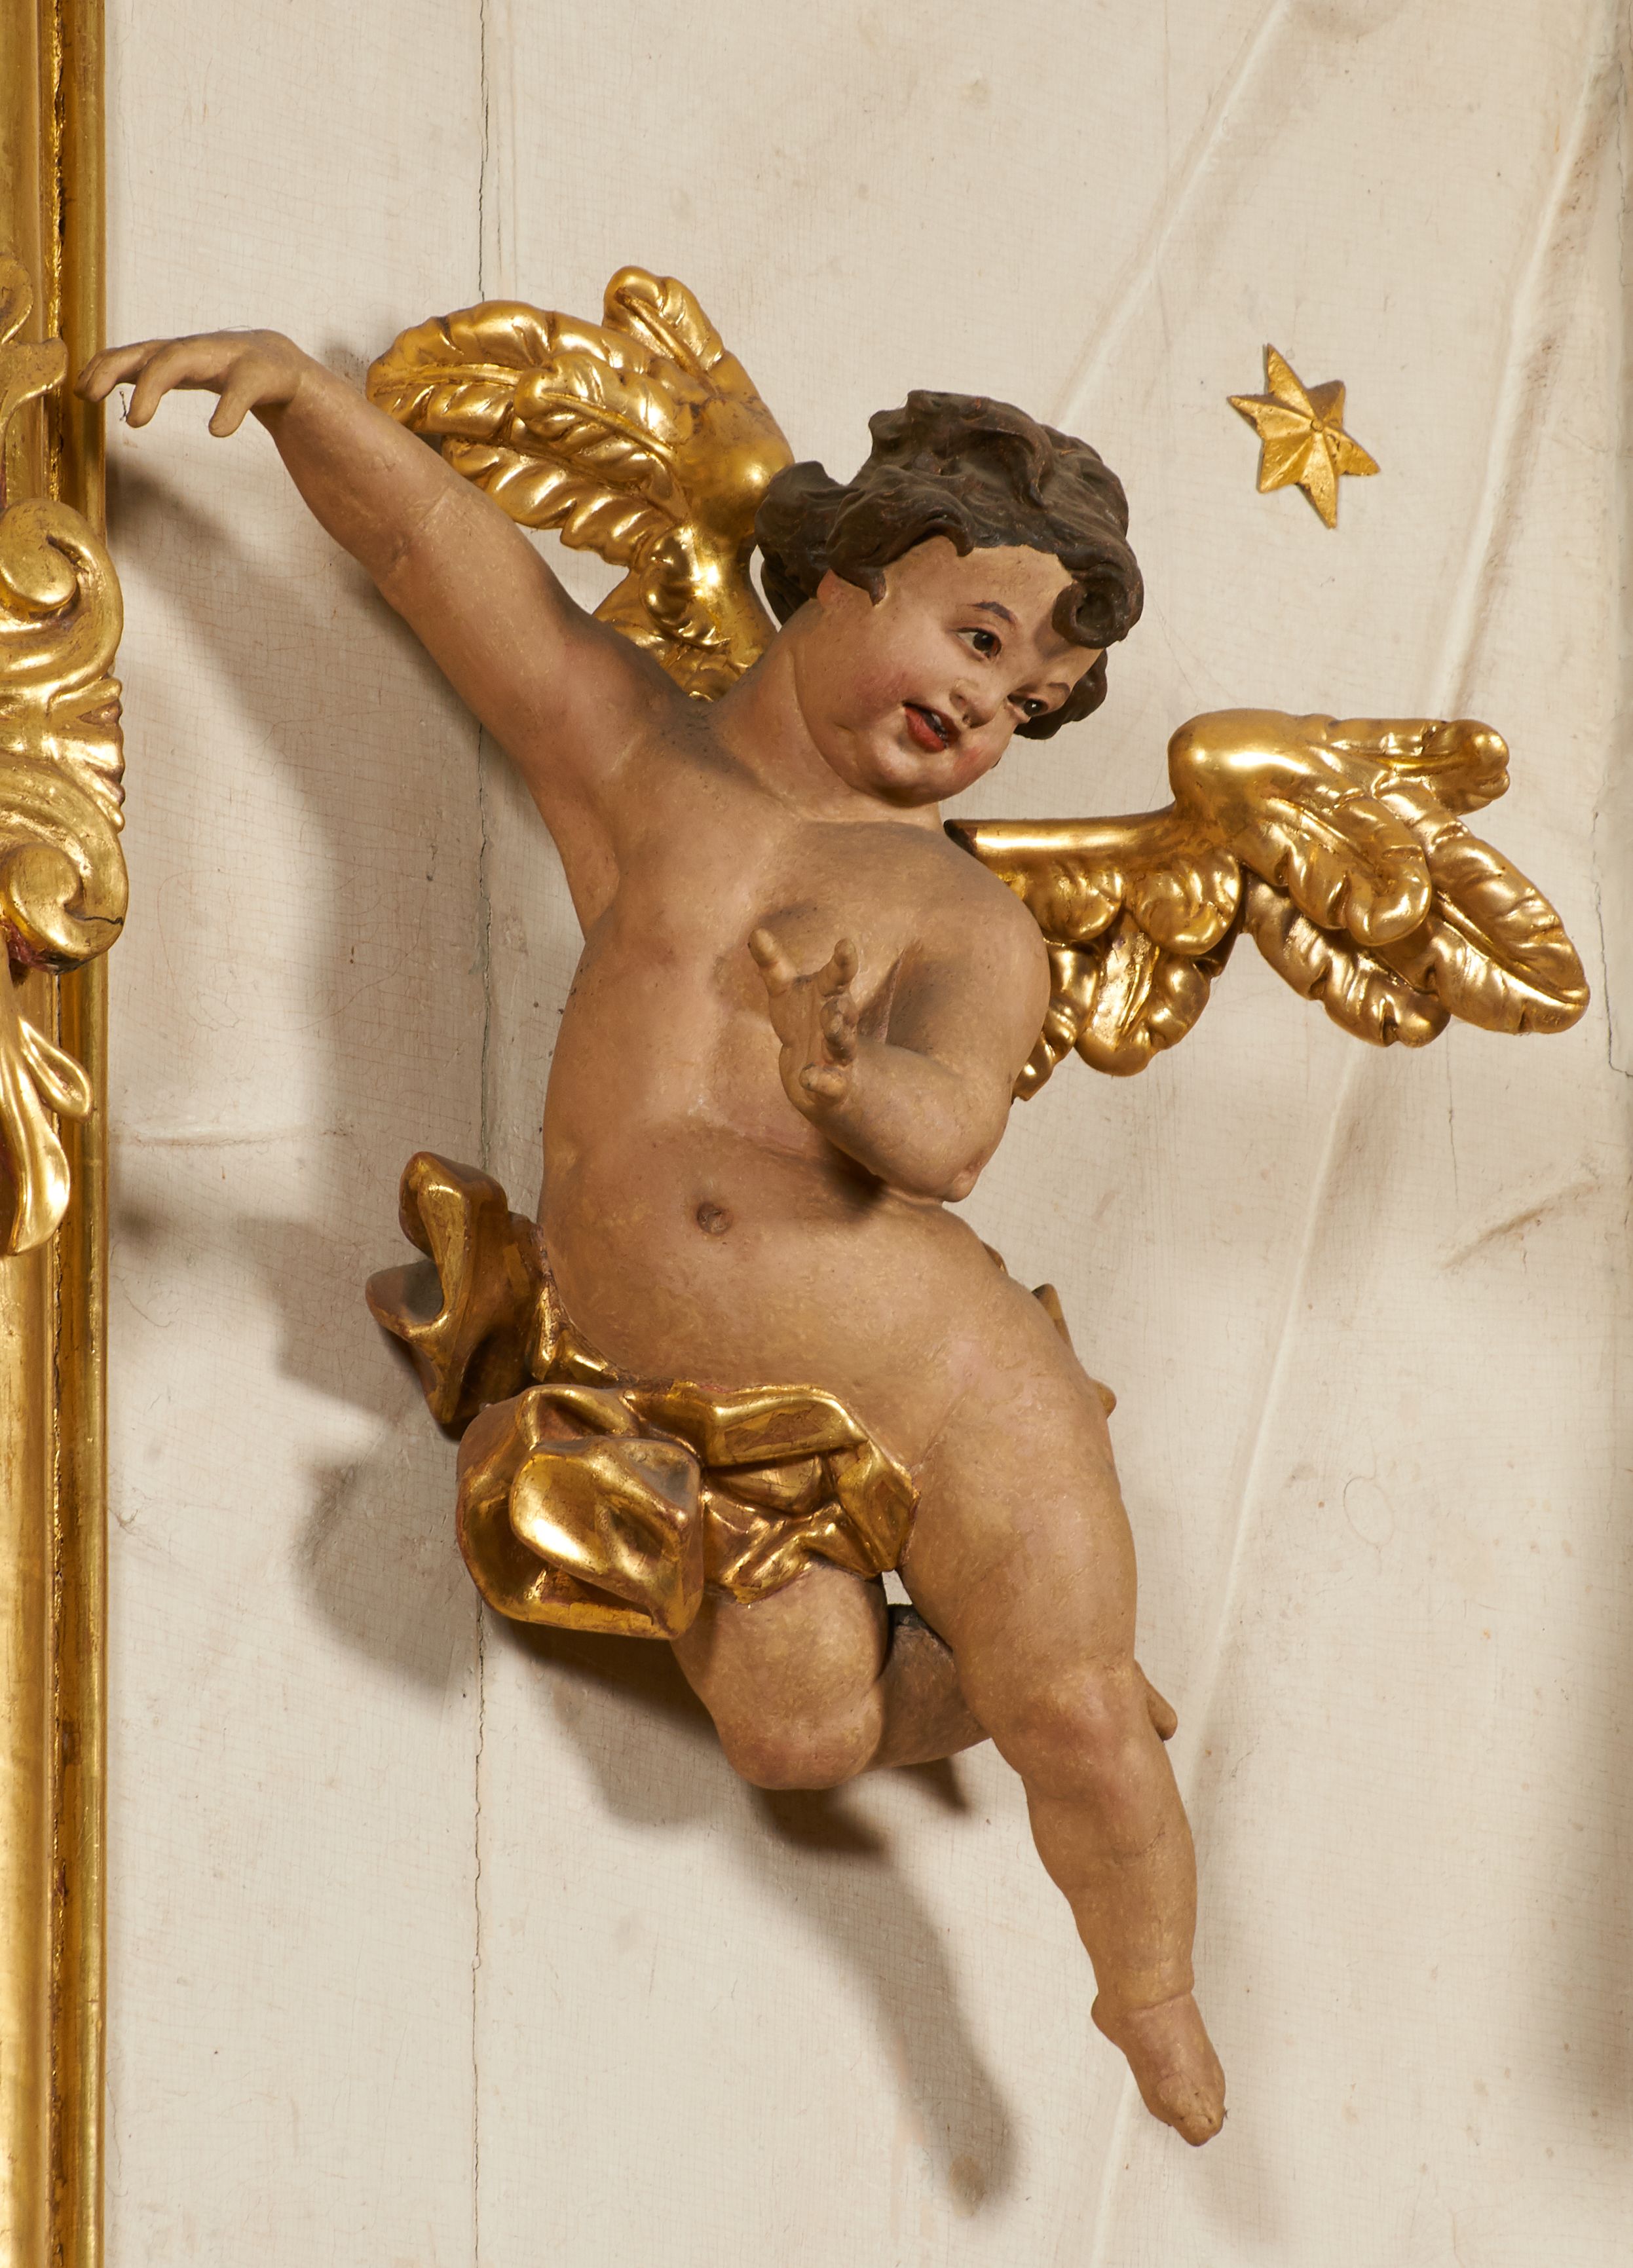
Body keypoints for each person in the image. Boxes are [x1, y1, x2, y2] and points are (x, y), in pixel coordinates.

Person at [78, 333, 1226, 2145]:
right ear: (850, 572)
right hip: (698, 1413)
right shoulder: (643, 775)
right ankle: (987, 1670)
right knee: (797, 1734)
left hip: (947, 1386)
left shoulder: (959, 914)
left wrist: (846, 1078)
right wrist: (305, 398)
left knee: (1080, 1716)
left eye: (1035, 696)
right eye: (979, 635)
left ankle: (1149, 1994)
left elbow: (953, 1134)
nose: (990, 705)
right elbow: (445, 559)